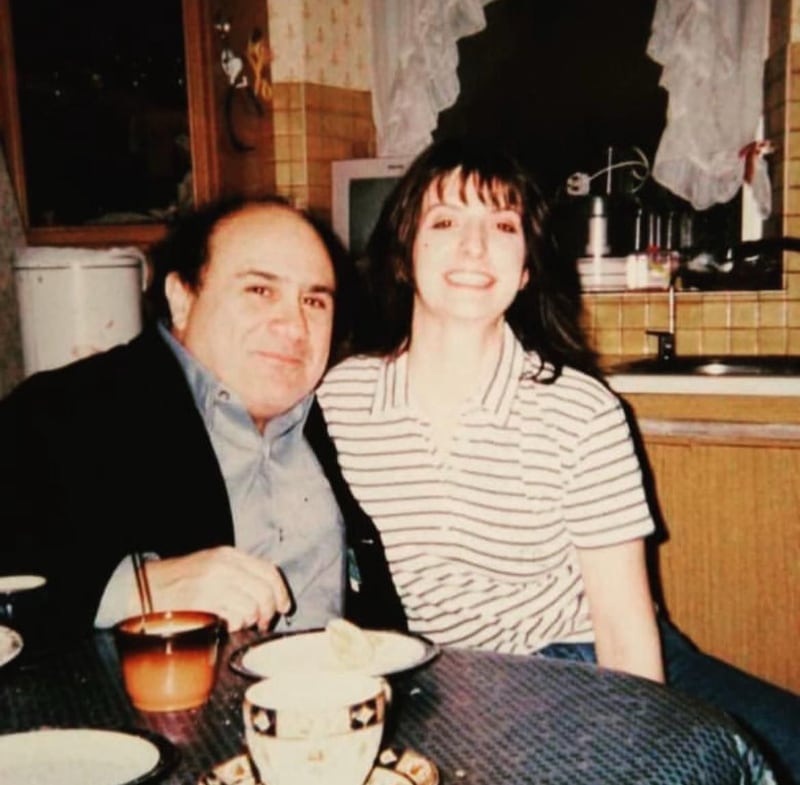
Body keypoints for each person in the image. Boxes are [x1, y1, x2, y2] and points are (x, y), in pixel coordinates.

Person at [317, 138, 800, 783]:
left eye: (503, 226)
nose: (474, 246)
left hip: (594, 654)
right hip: (451, 684)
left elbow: (624, 628)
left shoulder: (580, 411)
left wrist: (637, 750)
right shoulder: (339, 399)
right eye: (446, 222)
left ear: (526, 270)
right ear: (404, 254)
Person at [0, 195, 406, 638]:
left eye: (313, 301)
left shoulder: (336, 415)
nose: (294, 326)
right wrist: (137, 593)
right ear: (181, 298)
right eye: (260, 291)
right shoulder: (62, 412)